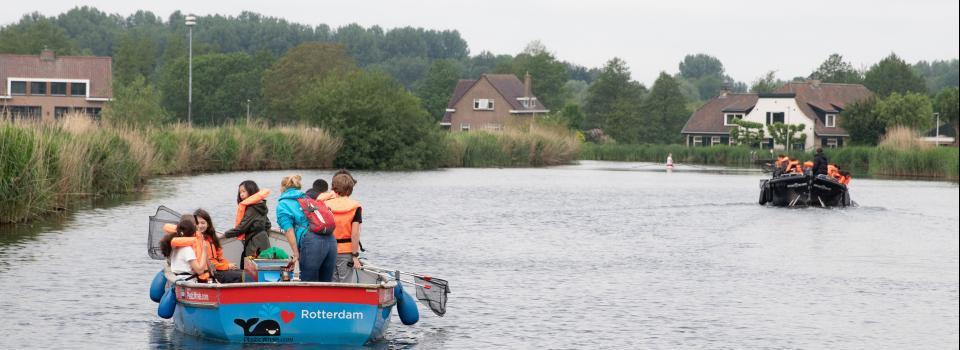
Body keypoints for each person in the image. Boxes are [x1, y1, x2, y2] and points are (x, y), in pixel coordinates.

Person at [276, 174, 337, 282]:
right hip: (331, 240)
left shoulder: (283, 204)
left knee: (309, 284)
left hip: (312, 242)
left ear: (282, 188)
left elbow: (289, 230)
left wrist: (296, 254)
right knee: (326, 285)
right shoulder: (307, 198)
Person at [324, 171, 363, 283]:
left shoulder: (325, 205)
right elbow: (355, 234)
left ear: (334, 187)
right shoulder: (355, 207)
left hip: (328, 249)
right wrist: (355, 256)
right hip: (346, 250)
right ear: (350, 189)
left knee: (331, 281)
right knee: (345, 282)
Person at [223, 180, 272, 268]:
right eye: (240, 192)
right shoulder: (260, 206)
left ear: (251, 191)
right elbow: (268, 224)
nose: (241, 194)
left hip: (255, 243)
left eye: (243, 191)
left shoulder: (252, 209)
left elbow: (242, 228)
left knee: (250, 268)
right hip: (263, 240)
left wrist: (225, 235)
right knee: (262, 268)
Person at [194, 209, 242, 283]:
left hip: (218, 269)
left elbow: (220, 257)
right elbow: (208, 263)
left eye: (203, 223)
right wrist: (226, 266)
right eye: (197, 223)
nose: (200, 226)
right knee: (241, 276)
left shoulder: (211, 238)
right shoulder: (195, 240)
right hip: (210, 272)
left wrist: (228, 265)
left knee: (245, 273)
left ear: (208, 224)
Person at [160, 215, 209, 281]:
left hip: (177, 277)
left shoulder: (174, 245)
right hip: (187, 280)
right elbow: (199, 271)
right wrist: (204, 252)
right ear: (194, 232)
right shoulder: (187, 249)